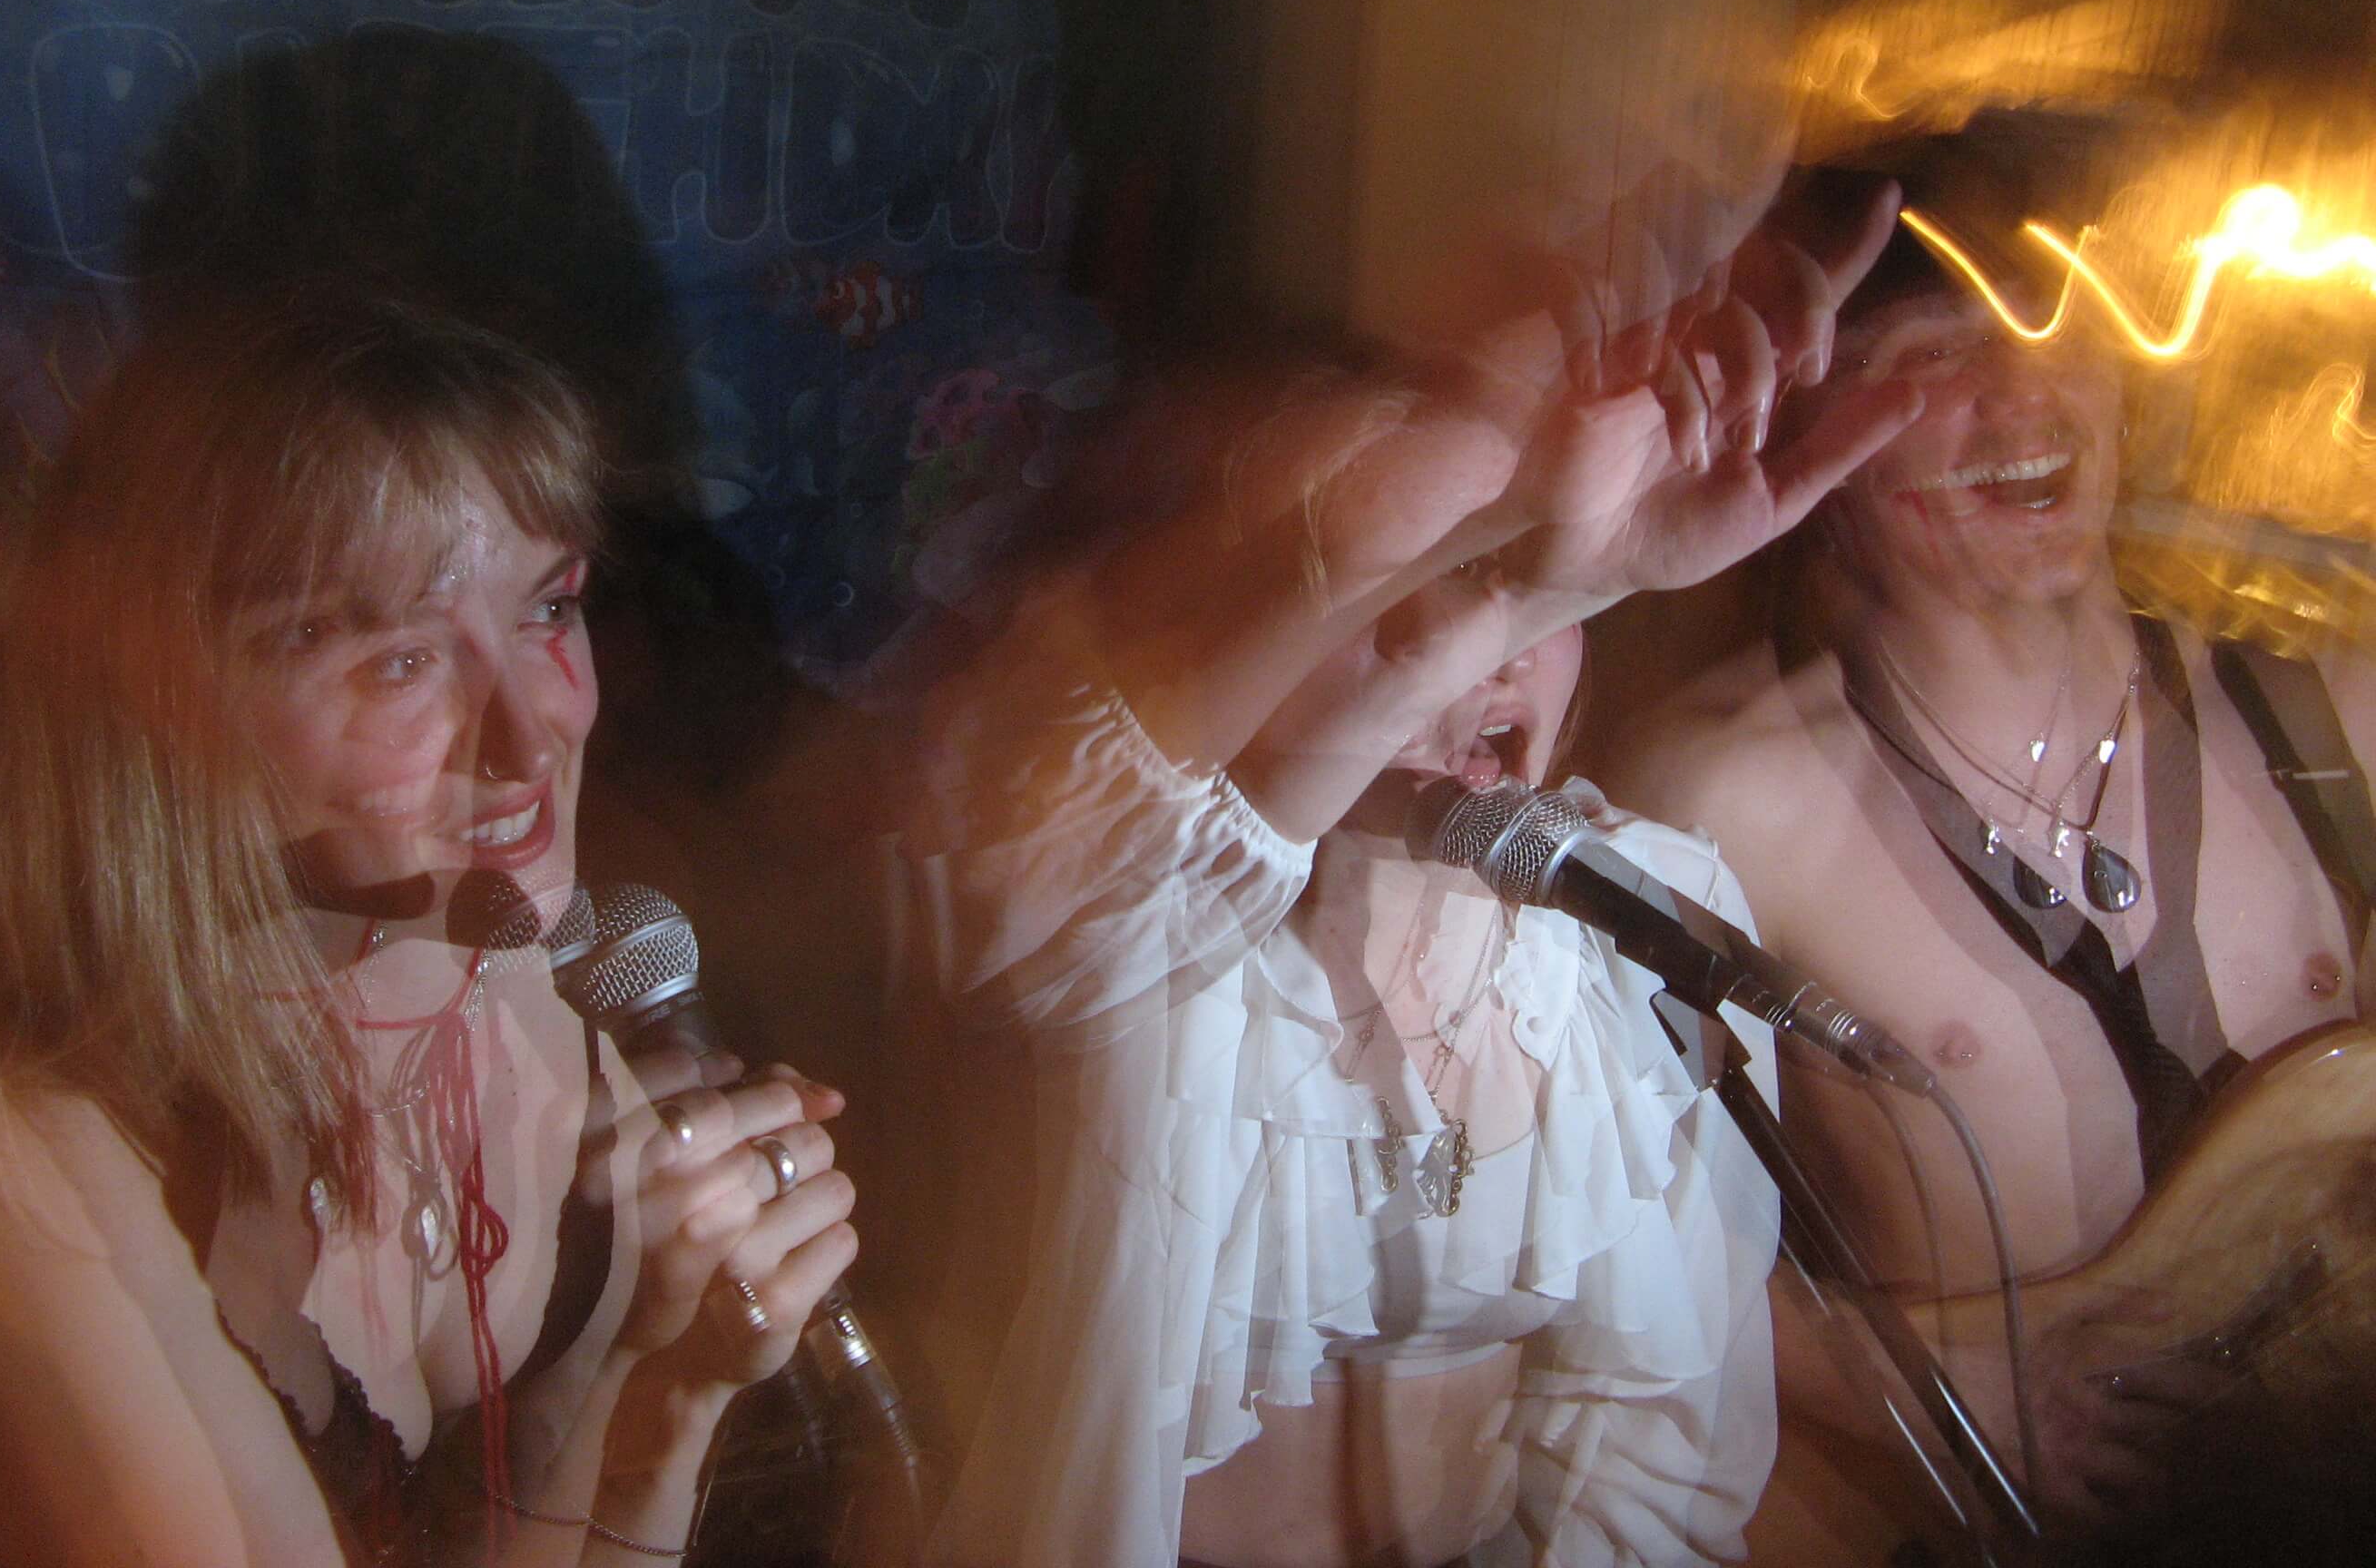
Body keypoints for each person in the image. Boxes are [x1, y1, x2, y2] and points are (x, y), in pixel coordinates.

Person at [895, 168, 1919, 1566]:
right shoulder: (1155, 945)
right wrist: (1506, 584)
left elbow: (1657, 1442)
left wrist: (1549, 577)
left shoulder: (1631, 921)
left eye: (1537, 591)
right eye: (1407, 595)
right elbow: (1077, 883)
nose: (1482, 666)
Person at [0, 294, 859, 1566]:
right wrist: (598, 1364)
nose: (534, 734)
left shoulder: (527, 992)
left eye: (549, 609)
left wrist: (676, 1400)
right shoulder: (41, 1146)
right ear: (172, 710)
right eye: (399, 661)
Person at [1602, 160, 2376, 1553]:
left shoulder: (2340, 723)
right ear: (1821, 438)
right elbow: (1567, 1234)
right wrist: (1901, 1384)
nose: (2022, 397)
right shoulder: (1728, 804)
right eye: (1934, 358)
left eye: (2057, 324)